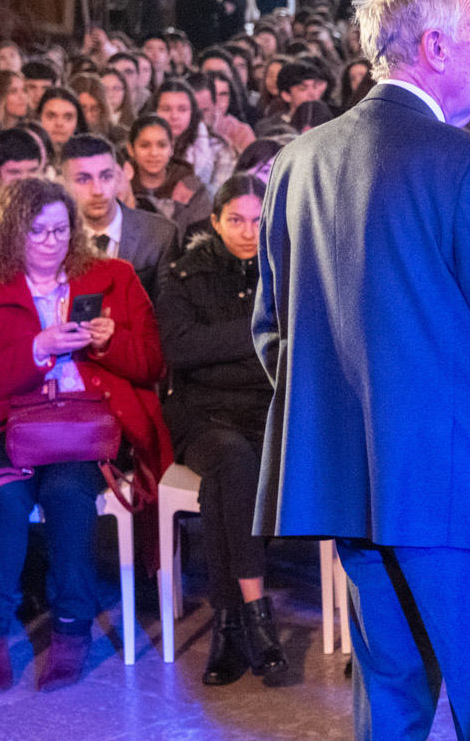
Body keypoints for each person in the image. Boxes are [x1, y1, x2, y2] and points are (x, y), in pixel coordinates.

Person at [254, 0, 470, 741]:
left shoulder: (297, 162)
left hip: (357, 486)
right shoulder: (467, 165)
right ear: (434, 46)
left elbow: (275, 337)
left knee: (391, 711)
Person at [0, 177, 167, 694]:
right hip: (11, 422)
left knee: (69, 494)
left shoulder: (114, 276)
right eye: (37, 232)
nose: (51, 242)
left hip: (86, 422)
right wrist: (38, 347)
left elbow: (152, 366)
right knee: (3, 498)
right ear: (9, 235)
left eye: (60, 230)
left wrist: (109, 344)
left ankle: (72, 629)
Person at [156, 174, 288, 686]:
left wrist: (220, 351)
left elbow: (291, 354)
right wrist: (260, 333)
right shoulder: (185, 273)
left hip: (266, 412)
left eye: (258, 220)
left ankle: (230, 626)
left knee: (227, 481)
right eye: (235, 220)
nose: (248, 231)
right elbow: (181, 352)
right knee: (232, 461)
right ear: (214, 222)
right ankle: (258, 620)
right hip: (201, 416)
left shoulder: (287, 270)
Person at [60, 134, 179, 298]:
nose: (98, 191)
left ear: (118, 176)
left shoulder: (160, 235)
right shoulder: (52, 237)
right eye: (83, 179)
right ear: (62, 183)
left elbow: (166, 310)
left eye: (106, 177)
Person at [126, 114, 213, 232]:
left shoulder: (193, 190)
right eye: (144, 146)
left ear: (171, 148)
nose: (154, 153)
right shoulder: (121, 187)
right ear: (131, 149)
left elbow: (202, 240)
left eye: (162, 145)